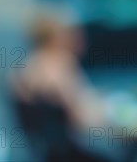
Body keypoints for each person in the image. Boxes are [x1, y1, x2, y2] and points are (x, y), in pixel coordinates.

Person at [9, 10, 108, 161]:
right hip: (70, 154)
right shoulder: (61, 65)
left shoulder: (24, 67)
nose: (80, 38)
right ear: (57, 37)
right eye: (73, 33)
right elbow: (84, 119)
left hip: (45, 153)